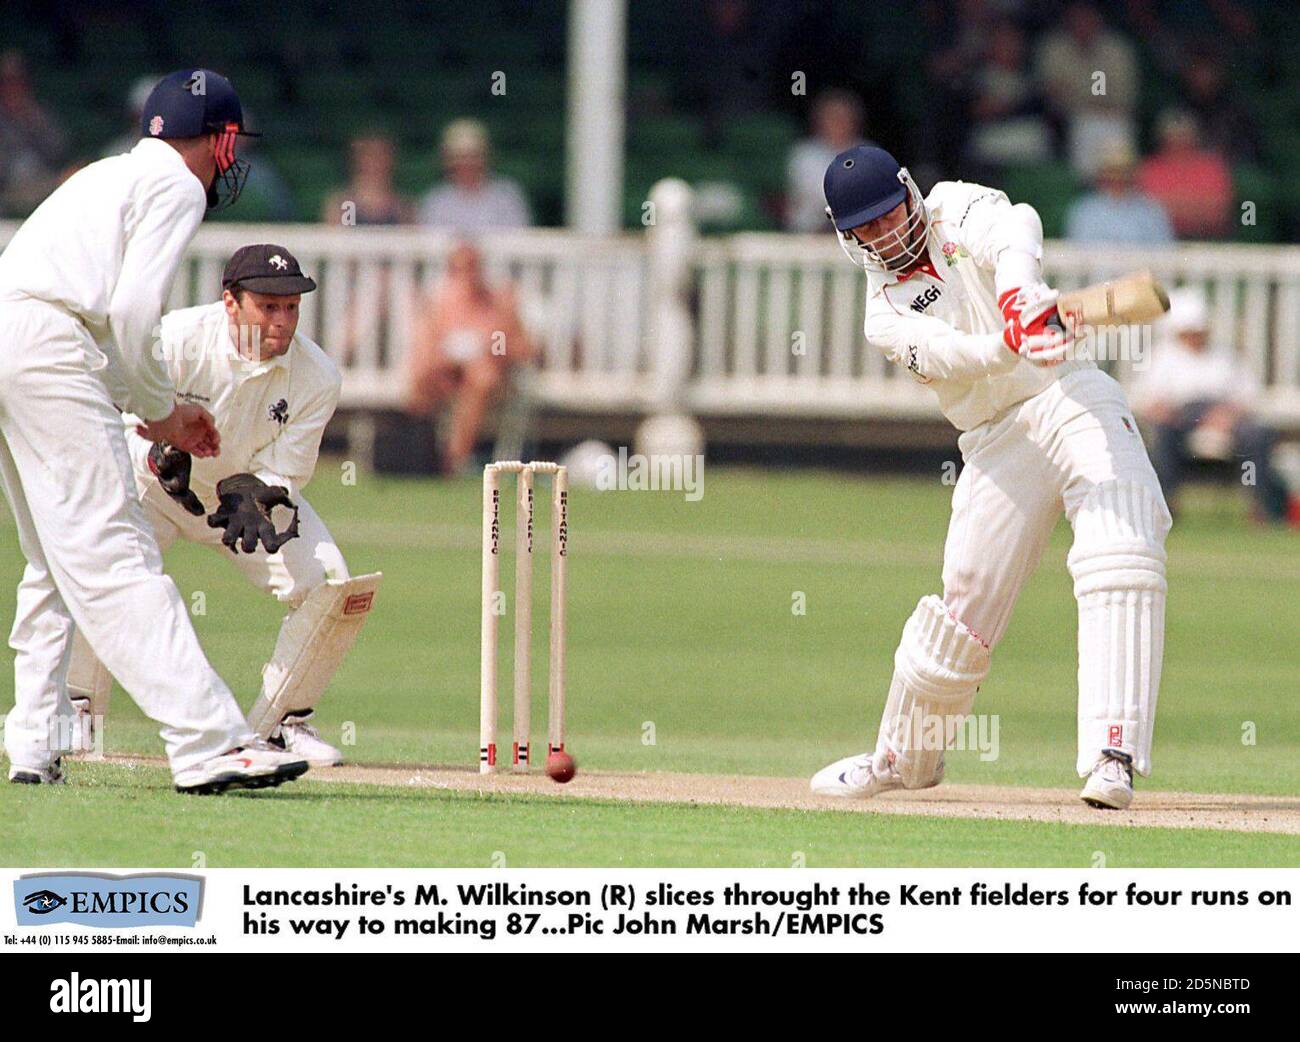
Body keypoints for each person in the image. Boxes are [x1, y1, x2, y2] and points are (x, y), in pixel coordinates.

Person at [811, 145, 1171, 810]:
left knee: (1122, 534)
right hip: (995, 437)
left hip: (1067, 390)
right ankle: (903, 757)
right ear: (848, 236)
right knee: (964, 606)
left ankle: (1112, 754)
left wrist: (1021, 296)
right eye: (866, 228)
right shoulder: (882, 313)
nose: (885, 233)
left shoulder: (954, 206)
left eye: (890, 214)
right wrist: (1009, 342)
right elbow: (949, 356)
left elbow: (1015, 224)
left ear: (909, 194)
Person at [0, 69, 308, 793]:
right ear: (221, 138)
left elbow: (98, 320)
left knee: (52, 557)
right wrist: (163, 410)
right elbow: (135, 314)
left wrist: (145, 400)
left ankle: (32, 744)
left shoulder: (108, 175)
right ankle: (209, 743)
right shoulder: (173, 184)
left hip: (18, 337)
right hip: (46, 345)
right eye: (230, 146)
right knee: (115, 552)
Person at [66, 244, 382, 767]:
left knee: (330, 584)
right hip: (154, 486)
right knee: (104, 568)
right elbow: (111, 410)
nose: (281, 322)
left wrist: (256, 491)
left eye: (291, 308)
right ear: (230, 303)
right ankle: (78, 713)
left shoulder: (317, 375)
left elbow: (291, 466)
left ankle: (280, 726)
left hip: (240, 505)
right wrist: (151, 455)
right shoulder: (176, 339)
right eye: (267, 306)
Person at [1130, 288, 1298, 526]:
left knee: (1257, 435)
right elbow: (1148, 400)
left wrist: (1227, 415)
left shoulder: (1224, 356)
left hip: (1224, 417)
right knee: (1164, 433)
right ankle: (1165, 504)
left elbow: (1249, 396)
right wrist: (1164, 411)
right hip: (1181, 418)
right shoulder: (1162, 357)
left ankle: (1263, 505)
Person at [405, 241, 533, 474]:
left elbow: (523, 348)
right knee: (425, 376)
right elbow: (425, 350)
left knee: (480, 376)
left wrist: (489, 349)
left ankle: (453, 459)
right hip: (446, 375)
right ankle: (420, 454)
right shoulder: (439, 304)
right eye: (459, 270)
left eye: (472, 268)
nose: (467, 276)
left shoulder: (498, 302)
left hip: (491, 381)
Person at [416, 120, 531, 233]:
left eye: (473, 156)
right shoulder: (435, 200)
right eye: (459, 157)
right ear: (447, 161)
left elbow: (520, 240)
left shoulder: (507, 196)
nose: (467, 163)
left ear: (486, 157)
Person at [1136, 110, 1233, 240]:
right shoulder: (1149, 168)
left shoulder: (1212, 167)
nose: (1179, 141)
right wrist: (1196, 204)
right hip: (1157, 240)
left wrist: (1170, 204)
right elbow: (1143, 211)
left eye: (1184, 136)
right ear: (1162, 138)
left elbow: (1219, 213)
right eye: (1173, 137)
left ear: (1195, 137)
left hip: (1208, 241)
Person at [785, 90, 867, 233]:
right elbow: (822, 197)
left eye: (844, 117)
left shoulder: (868, 151)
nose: (839, 122)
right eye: (833, 117)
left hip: (861, 231)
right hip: (810, 232)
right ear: (819, 121)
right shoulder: (804, 154)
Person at [1064, 140, 1174, 246]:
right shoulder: (1084, 211)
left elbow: (1164, 251)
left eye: (1122, 171)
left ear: (1132, 173)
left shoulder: (1151, 210)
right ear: (1100, 173)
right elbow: (1079, 253)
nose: (1117, 177)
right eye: (1111, 171)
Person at [0, 50, 69, 216]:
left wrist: (30, 119)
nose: (13, 87)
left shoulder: (40, 114)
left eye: (18, 81)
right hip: (6, 195)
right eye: (7, 81)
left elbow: (59, 150)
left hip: (43, 191)